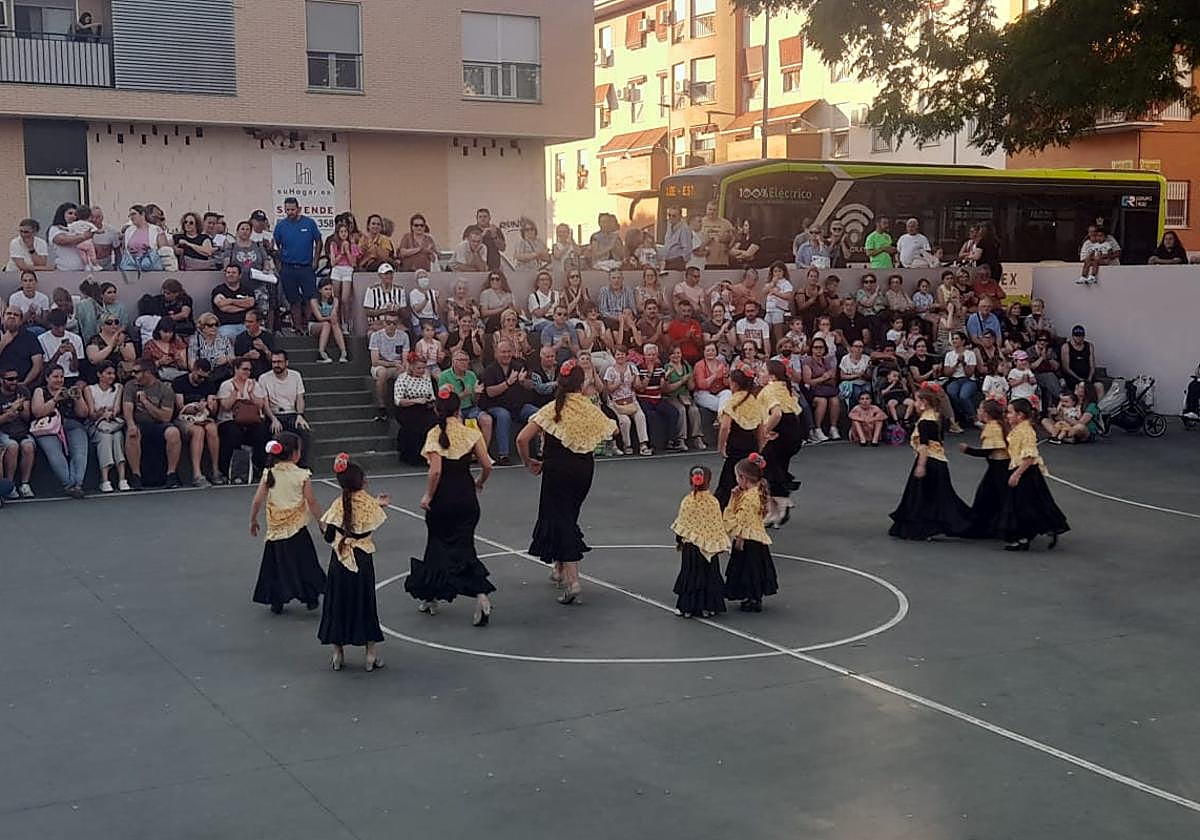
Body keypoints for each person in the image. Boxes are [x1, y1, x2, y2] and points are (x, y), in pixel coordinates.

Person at [517, 359, 617, 605]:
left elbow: (522, 438)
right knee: (566, 516)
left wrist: (528, 461)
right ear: (581, 383)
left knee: (562, 519)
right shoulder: (588, 407)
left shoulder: (553, 409)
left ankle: (574, 581)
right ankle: (560, 570)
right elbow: (613, 430)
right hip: (584, 470)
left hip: (557, 470)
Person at [406, 386, 496, 624]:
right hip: (466, 497)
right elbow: (487, 465)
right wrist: (479, 482)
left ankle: (432, 594)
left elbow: (435, 472)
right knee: (465, 547)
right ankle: (478, 594)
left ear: (437, 410)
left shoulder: (434, 434)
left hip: (443, 500)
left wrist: (427, 496)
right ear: (458, 410)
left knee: (436, 544)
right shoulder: (470, 433)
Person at [319, 455, 390, 671]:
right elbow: (367, 520)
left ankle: (337, 653)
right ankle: (370, 654)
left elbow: (328, 535)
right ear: (362, 482)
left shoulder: (337, 504)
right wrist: (378, 503)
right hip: (362, 559)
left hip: (340, 560)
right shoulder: (369, 504)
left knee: (337, 603)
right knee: (364, 603)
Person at [248, 433, 326, 614]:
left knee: (275, 566)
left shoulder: (270, 473)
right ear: (295, 454)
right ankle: (311, 596)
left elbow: (257, 500)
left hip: (276, 530)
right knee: (306, 563)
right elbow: (312, 501)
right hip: (297, 527)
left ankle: (277, 599)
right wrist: (321, 523)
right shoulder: (302, 475)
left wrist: (253, 519)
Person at [888, 383, 972, 540]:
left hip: (929, 461)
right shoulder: (936, 416)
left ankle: (925, 527)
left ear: (924, 402)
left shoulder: (926, 421)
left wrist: (921, 465)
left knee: (922, 497)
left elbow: (924, 445)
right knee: (937, 497)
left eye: (916, 400)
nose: (915, 403)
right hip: (938, 461)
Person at [996, 398, 1070, 551]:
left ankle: (1024, 537)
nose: (1007, 416)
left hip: (1026, 471)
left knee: (1023, 506)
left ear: (1020, 415)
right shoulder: (1018, 428)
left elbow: (1029, 456)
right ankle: (1038, 530)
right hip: (1019, 467)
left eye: (1010, 413)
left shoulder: (1026, 431)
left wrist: (1016, 474)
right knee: (1033, 503)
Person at [670, 466, 730, 619]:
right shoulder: (713, 502)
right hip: (708, 547)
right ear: (709, 481)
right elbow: (717, 524)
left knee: (690, 575)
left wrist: (679, 540)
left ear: (691, 481)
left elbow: (682, 524)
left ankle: (687, 607)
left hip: (691, 547)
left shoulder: (688, 501)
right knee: (709, 576)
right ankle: (708, 606)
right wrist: (719, 544)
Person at [722, 453, 778, 612]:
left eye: (737, 478)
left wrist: (739, 538)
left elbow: (740, 521)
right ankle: (754, 596)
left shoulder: (748, 498)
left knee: (748, 570)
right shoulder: (757, 491)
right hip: (757, 537)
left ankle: (752, 598)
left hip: (747, 539)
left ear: (743, 478)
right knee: (755, 569)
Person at [123, 361, 182, 489]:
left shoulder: (164, 389)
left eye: (137, 372)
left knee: (174, 433)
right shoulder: (130, 386)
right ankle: (136, 476)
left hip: (158, 424)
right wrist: (131, 424)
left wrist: (145, 402)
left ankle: (171, 474)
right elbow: (127, 409)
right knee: (132, 433)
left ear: (148, 373)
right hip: (139, 423)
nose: (133, 375)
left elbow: (166, 417)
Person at [956, 399, 1010, 539]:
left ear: (986, 414)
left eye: (980, 409)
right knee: (996, 497)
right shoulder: (998, 425)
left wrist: (967, 450)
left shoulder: (993, 427)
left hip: (999, 467)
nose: (978, 411)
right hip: (999, 466)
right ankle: (995, 525)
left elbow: (987, 451)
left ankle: (982, 527)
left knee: (986, 497)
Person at [758, 360, 802, 525]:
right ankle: (775, 511)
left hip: (781, 431)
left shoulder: (769, 389)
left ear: (772, 376)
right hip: (793, 432)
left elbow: (776, 414)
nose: (759, 373)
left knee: (764, 469)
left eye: (763, 370)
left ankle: (781, 501)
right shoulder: (784, 388)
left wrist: (764, 432)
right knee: (777, 469)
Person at [481, 339, 538, 465]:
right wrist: (508, 383)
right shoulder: (490, 370)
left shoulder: (519, 366)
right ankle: (503, 454)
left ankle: (538, 450)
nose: (506, 355)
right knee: (503, 415)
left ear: (512, 352)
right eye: (503, 352)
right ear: (496, 353)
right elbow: (490, 392)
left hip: (518, 406)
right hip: (496, 405)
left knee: (537, 413)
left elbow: (531, 385)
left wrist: (523, 382)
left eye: (508, 352)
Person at [216, 358, 272, 483]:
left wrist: (251, 394)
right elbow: (225, 406)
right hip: (230, 420)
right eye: (244, 369)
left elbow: (260, 404)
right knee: (232, 433)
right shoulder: (226, 385)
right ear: (236, 369)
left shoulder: (254, 384)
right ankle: (228, 470)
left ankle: (260, 467)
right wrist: (235, 392)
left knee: (262, 431)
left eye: (249, 370)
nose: (247, 372)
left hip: (251, 420)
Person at [715, 369, 765, 509]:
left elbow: (725, 427)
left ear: (735, 384)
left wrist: (721, 446)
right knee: (751, 482)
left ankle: (718, 513)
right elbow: (761, 428)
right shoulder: (753, 401)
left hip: (736, 446)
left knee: (727, 483)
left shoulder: (732, 402)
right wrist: (760, 448)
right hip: (751, 445)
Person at [273, 197, 323, 332]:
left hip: (306, 267)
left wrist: (316, 260)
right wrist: (279, 266)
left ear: (298, 209)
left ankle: (308, 325)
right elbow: (275, 248)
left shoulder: (309, 223)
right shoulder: (280, 226)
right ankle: (297, 327)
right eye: (287, 210)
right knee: (293, 300)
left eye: (292, 209)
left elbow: (318, 241)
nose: (290, 212)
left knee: (309, 298)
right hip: (288, 268)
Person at [174, 359, 222, 487]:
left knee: (212, 428)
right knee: (198, 431)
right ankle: (196, 473)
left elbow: (212, 410)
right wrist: (196, 408)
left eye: (204, 377)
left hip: (203, 416)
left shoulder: (209, 384)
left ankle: (215, 470)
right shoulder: (179, 381)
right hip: (184, 417)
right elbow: (180, 407)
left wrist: (212, 405)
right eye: (199, 376)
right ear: (194, 369)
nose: (201, 380)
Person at [260, 351, 310, 466]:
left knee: (305, 432)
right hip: (273, 414)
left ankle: (302, 467)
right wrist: (273, 419)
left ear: (286, 362)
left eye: (279, 362)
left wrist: (300, 415)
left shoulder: (295, 375)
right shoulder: (264, 378)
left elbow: (300, 398)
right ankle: (271, 466)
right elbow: (265, 403)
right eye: (273, 362)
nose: (276, 365)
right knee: (268, 432)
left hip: (292, 413)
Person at [82, 362, 125, 494]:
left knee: (117, 436)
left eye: (113, 373)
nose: (112, 376)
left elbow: (117, 409)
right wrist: (101, 413)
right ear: (99, 375)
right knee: (105, 437)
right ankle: (105, 479)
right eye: (108, 373)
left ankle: (122, 479)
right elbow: (91, 413)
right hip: (95, 425)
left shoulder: (118, 387)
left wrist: (110, 413)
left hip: (113, 424)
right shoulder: (89, 389)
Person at [437, 349, 494, 446]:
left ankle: (483, 453)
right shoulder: (444, 376)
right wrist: (463, 394)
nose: (464, 363)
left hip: (470, 408)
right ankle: (461, 454)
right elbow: (444, 402)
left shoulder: (471, 375)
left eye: (466, 360)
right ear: (453, 361)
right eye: (461, 360)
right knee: (458, 421)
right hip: (454, 410)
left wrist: (477, 394)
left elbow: (474, 402)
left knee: (487, 420)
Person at [392, 352, 437, 466]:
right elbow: (398, 400)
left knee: (433, 421)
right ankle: (412, 456)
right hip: (407, 408)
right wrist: (415, 401)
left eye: (423, 368)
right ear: (411, 367)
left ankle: (429, 454)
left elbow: (431, 395)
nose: (422, 370)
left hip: (424, 407)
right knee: (414, 423)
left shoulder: (426, 378)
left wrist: (429, 402)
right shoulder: (403, 378)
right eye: (419, 368)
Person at [0, 367, 36, 498]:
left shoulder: (22, 390)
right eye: (10, 379)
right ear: (1, 380)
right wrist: (10, 411)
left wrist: (20, 408)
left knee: (28, 446)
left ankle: (25, 484)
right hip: (3, 430)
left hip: (21, 429)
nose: (14, 382)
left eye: (16, 379)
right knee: (12, 447)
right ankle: (10, 485)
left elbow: (27, 417)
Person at [369, 315, 410, 422]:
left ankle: (404, 406)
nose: (391, 325)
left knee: (406, 373)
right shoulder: (376, 336)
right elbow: (375, 361)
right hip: (381, 365)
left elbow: (405, 358)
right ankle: (381, 407)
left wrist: (404, 367)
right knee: (381, 373)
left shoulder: (403, 336)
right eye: (388, 323)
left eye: (394, 323)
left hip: (397, 366)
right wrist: (392, 364)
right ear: (384, 323)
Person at [802, 337, 840, 443]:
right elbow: (807, 381)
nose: (818, 350)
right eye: (816, 347)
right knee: (822, 401)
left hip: (826, 389)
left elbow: (833, 379)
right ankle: (817, 429)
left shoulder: (827, 361)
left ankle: (833, 428)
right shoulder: (807, 361)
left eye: (821, 347)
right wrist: (823, 378)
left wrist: (825, 379)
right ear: (812, 349)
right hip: (812, 391)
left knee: (835, 400)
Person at [0, 305, 44, 388]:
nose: (12, 316)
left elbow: (37, 365)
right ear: (2, 318)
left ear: (21, 321)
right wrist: (2, 343)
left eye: (16, 315)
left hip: (24, 384)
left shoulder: (30, 337)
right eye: (8, 313)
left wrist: (25, 383)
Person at [943, 331, 978, 433]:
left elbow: (969, 373)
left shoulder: (970, 354)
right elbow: (947, 373)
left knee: (963, 395)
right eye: (953, 339)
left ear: (963, 341)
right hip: (954, 379)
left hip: (968, 380)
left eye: (957, 338)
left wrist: (963, 363)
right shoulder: (949, 355)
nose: (954, 341)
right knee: (952, 393)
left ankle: (974, 418)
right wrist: (957, 363)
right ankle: (960, 415)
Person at [309, 278, 349, 363]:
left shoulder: (335, 300)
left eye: (330, 289)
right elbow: (319, 318)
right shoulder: (314, 301)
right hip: (315, 325)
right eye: (326, 289)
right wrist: (330, 318)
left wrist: (332, 318)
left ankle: (343, 352)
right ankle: (321, 352)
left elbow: (334, 315)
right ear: (320, 290)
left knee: (333, 323)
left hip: (331, 324)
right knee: (327, 324)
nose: (328, 292)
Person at [119, 205, 168, 272]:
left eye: (134, 214)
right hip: (132, 268)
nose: (131, 217)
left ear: (143, 214)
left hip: (152, 268)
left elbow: (165, 250)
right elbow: (124, 249)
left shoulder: (156, 230)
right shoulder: (129, 231)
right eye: (130, 215)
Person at [187, 314, 235, 382]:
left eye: (216, 325)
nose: (214, 327)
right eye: (210, 325)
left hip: (221, 372)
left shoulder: (224, 339)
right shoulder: (195, 340)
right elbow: (192, 362)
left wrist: (226, 359)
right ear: (202, 327)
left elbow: (232, 358)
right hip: (204, 373)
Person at [362, 263, 409, 334]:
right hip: (378, 323)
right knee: (371, 333)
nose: (389, 276)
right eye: (386, 274)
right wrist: (385, 310)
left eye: (390, 274)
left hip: (395, 323)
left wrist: (398, 310)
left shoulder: (400, 290)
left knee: (405, 332)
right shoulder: (372, 290)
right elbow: (368, 312)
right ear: (380, 275)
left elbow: (405, 312)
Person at [38, 309, 83, 382]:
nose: (61, 330)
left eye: (63, 326)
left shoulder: (76, 339)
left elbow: (74, 369)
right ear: (50, 324)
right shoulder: (42, 339)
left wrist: (74, 354)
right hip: (51, 378)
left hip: (71, 377)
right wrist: (58, 353)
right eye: (57, 327)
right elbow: (46, 368)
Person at [233, 311, 275, 379]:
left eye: (250, 322)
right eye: (246, 321)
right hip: (246, 374)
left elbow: (273, 360)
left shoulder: (268, 337)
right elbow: (236, 361)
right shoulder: (240, 338)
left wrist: (264, 348)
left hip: (265, 374)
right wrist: (247, 356)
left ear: (259, 322)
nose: (247, 324)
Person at [1061, 324, 1097, 392]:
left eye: (1080, 336)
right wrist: (1078, 378)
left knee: (1099, 386)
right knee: (1080, 387)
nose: (1078, 338)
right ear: (1072, 336)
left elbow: (1092, 366)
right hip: (1073, 376)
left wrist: (1089, 378)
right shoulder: (1066, 347)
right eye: (1076, 336)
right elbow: (1066, 368)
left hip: (1087, 376)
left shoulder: (1089, 346)